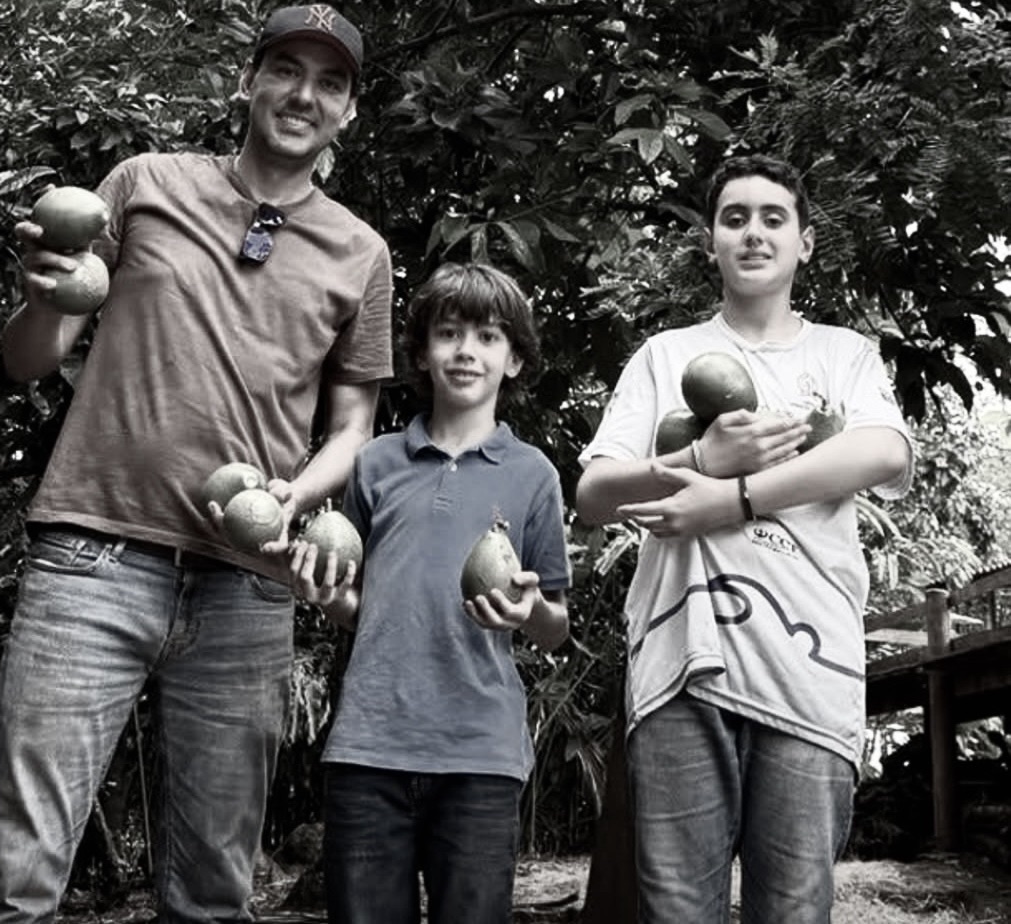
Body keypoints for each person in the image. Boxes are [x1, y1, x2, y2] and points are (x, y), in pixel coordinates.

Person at [0, 6, 393, 923]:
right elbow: (30, 359)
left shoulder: (361, 253)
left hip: (247, 583)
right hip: (93, 557)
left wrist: (296, 494)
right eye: (285, 69)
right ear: (248, 81)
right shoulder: (143, 182)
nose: (303, 94)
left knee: (213, 897)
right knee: (12, 885)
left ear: (349, 110)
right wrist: (42, 297)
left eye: (330, 82)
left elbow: (352, 428)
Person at [575, 154, 914, 924]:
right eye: (733, 219)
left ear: (805, 243)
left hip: (809, 669)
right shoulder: (664, 356)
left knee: (792, 910)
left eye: (772, 218)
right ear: (711, 243)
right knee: (676, 911)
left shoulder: (843, 355)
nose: (752, 233)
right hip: (680, 667)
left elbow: (884, 450)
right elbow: (592, 493)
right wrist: (697, 460)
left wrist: (731, 498)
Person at [287, 262, 572, 924]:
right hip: (369, 746)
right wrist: (326, 595)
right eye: (448, 333)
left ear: (515, 360)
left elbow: (555, 623)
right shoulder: (374, 463)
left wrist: (528, 610)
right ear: (419, 352)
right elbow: (361, 606)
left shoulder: (533, 474)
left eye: (488, 336)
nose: (466, 350)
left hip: (480, 752)